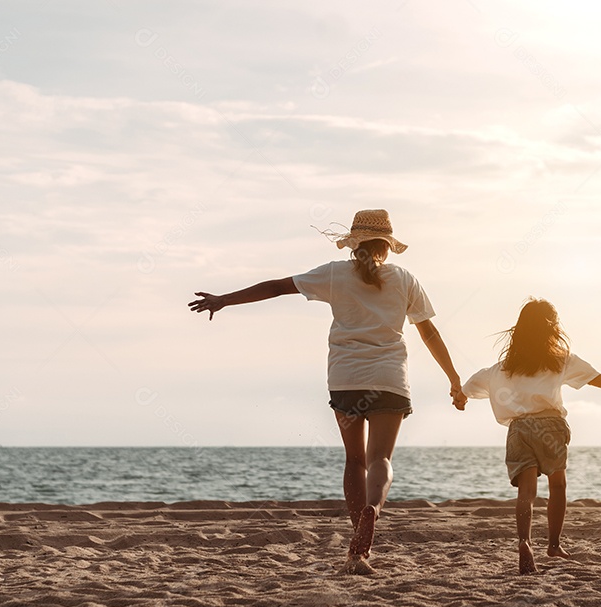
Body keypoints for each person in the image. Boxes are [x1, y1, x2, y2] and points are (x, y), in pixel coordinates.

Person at [189, 209, 467, 575]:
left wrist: (225, 299)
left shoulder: (335, 274)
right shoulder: (405, 279)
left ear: (354, 243)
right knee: (380, 458)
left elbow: (275, 287)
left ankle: (357, 550)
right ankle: (374, 510)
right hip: (389, 378)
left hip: (347, 377)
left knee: (355, 460)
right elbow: (428, 333)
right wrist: (453, 378)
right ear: (387, 246)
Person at [462, 298, 601, 575]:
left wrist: (460, 397)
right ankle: (553, 544)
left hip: (519, 429)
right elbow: (593, 377)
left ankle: (524, 541)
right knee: (557, 486)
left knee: (526, 492)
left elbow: (470, 385)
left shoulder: (502, 368)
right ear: (552, 329)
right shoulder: (559, 360)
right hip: (551, 426)